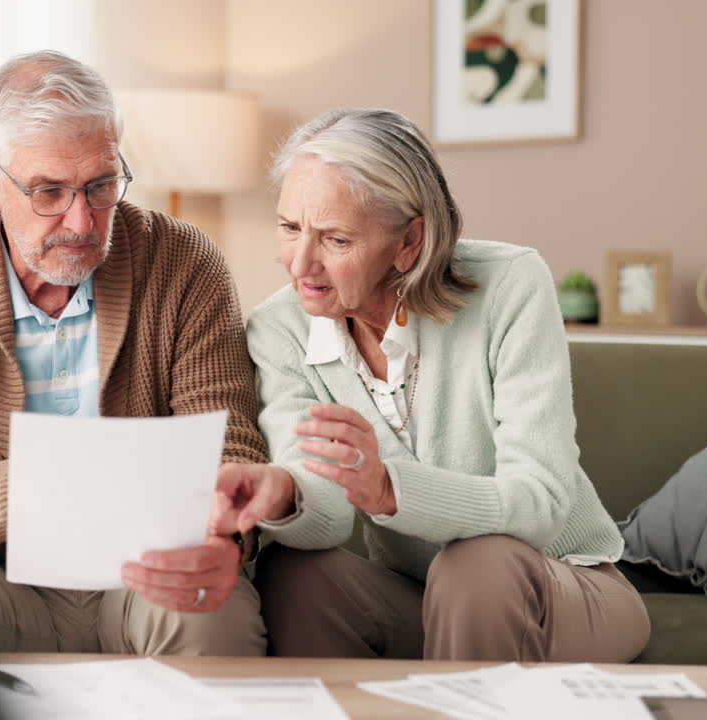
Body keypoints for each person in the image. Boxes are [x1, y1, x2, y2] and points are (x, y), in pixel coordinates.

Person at [0, 50, 267, 656]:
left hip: (143, 573)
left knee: (212, 609)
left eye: (101, 185)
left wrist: (226, 536)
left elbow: (230, 450)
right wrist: (63, 484)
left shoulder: (184, 261)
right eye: (48, 191)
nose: (82, 221)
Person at [213, 108, 650, 661]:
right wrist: (284, 491)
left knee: (476, 565)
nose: (300, 264)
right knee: (297, 573)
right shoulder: (279, 328)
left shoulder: (510, 285)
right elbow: (325, 518)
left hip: (561, 585)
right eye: (289, 228)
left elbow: (541, 502)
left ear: (409, 242)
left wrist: (389, 488)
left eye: (336, 239)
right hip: (420, 598)